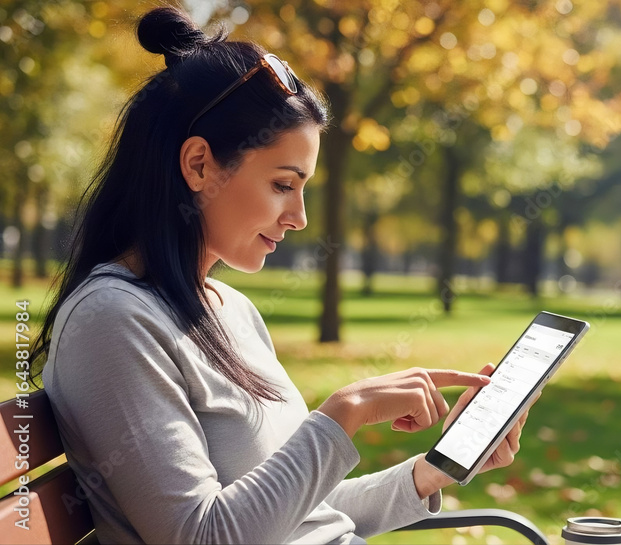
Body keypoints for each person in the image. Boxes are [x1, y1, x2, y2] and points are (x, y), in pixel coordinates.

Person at [28, 7, 529, 544]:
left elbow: (301, 511)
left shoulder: (230, 309)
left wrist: (436, 470)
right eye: (283, 185)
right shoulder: (113, 321)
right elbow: (205, 536)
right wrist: (343, 414)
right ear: (198, 165)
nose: (300, 217)